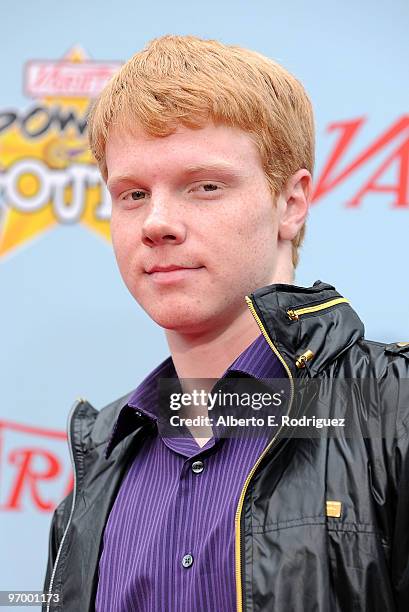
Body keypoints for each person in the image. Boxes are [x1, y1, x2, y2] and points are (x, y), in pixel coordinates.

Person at [42, 35, 409, 612]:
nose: (157, 223)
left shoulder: (395, 414)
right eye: (133, 193)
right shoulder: (100, 463)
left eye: (205, 186)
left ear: (291, 203)